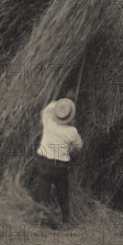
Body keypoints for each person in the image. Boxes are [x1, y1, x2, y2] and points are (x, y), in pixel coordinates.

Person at [34, 97, 83, 227]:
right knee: (63, 194)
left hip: (45, 163)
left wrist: (60, 105)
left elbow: (46, 110)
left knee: (43, 193)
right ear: (69, 116)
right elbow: (78, 146)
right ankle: (66, 221)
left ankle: (42, 222)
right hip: (61, 166)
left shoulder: (48, 122)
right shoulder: (72, 131)